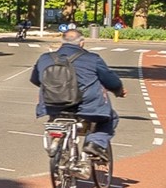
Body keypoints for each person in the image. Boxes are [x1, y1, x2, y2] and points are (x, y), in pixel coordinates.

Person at [32, 23, 125, 156]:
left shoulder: (45, 58)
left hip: (52, 104)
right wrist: (118, 91)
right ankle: (95, 143)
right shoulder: (92, 59)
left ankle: (58, 149)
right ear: (81, 43)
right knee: (110, 118)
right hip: (86, 106)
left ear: (62, 42)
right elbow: (111, 81)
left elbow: (36, 79)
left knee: (56, 120)